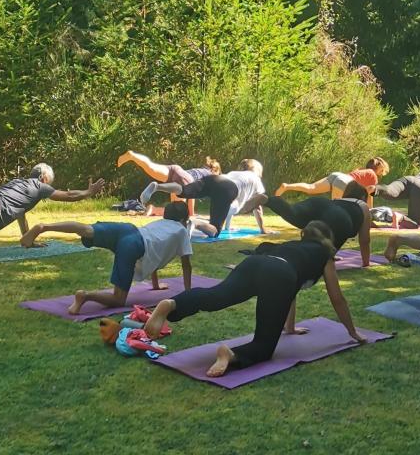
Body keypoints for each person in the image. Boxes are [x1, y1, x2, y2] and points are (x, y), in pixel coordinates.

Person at [142, 220, 365, 377]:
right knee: (264, 346)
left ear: (304, 235)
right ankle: (230, 354)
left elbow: (291, 294)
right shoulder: (324, 255)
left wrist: (290, 328)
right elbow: (337, 298)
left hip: (256, 264)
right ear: (328, 239)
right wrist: (352, 332)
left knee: (215, 296)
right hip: (280, 275)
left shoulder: (291, 246)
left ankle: (172, 304)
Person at [18, 202, 194, 315]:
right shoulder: (181, 231)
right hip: (133, 245)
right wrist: (188, 292)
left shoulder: (159, 224)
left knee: (85, 229)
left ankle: (44, 227)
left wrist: (156, 285)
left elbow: (157, 255)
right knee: (118, 299)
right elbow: (186, 265)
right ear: (183, 219)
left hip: (128, 230)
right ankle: (85, 297)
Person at [241, 180, 373, 265]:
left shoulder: (338, 200)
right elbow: (365, 240)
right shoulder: (362, 205)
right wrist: (366, 263)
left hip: (320, 203)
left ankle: (268, 200)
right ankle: (324, 255)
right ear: (362, 197)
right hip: (339, 218)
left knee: (292, 213)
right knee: (315, 255)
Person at [141, 158, 267, 238]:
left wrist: (228, 226)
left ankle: (157, 186)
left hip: (215, 179)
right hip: (227, 189)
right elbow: (258, 207)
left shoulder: (237, 173)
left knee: (184, 190)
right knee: (215, 231)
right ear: (258, 172)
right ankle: (195, 223)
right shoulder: (257, 180)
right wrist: (262, 229)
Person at [117, 150, 221, 215]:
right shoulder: (210, 176)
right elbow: (192, 193)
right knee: (176, 211)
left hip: (176, 170)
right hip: (184, 180)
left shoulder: (199, 170)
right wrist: (192, 213)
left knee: (151, 166)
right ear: (215, 171)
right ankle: (154, 207)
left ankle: (132, 156)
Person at [274, 157, 390, 205]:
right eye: (382, 171)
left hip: (337, 175)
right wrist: (369, 213)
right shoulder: (372, 175)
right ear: (379, 168)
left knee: (311, 188)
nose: (382, 174)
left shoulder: (361, 171)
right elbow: (370, 195)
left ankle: (287, 186)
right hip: (343, 181)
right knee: (336, 209)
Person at [372, 161, 420, 226]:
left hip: (410, 179)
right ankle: (399, 217)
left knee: (390, 190)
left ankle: (375, 188)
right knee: (415, 222)